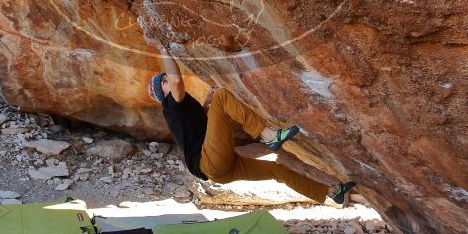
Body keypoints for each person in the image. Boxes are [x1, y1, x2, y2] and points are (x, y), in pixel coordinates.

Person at [142, 32, 355, 205]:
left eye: (164, 79)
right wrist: (161, 47)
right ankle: (269, 135)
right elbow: (177, 80)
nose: (166, 80)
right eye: (163, 82)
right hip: (210, 163)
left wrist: (206, 102)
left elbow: (200, 126)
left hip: (219, 169)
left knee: (277, 171)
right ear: (163, 93)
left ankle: (330, 192)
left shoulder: (181, 107)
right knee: (223, 96)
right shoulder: (171, 105)